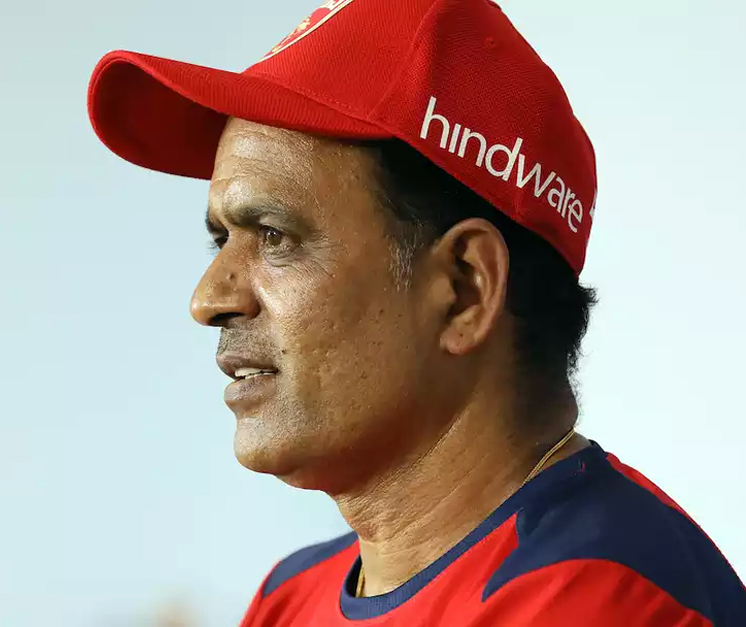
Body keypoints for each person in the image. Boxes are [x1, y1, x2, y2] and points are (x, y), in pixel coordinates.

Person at [87, 0, 746, 624]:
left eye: (274, 236)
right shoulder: (289, 596)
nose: (208, 299)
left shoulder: (601, 599)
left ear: (463, 288)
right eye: (220, 239)